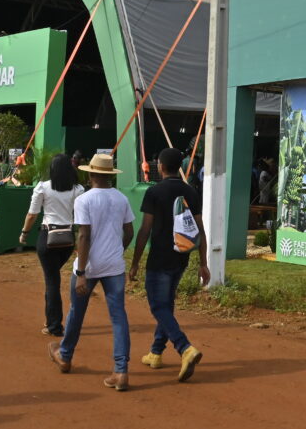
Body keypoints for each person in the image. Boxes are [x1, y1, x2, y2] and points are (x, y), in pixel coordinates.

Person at [48, 153, 134, 391]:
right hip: (114, 266)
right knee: (118, 316)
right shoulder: (121, 198)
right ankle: (121, 370)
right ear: (109, 175)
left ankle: (65, 355)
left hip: (90, 265)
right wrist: (118, 250)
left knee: (77, 311)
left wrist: (81, 272)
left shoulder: (84, 200)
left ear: (91, 174)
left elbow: (84, 236)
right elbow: (129, 231)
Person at [129, 147, 208, 383]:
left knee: (158, 306)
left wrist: (135, 263)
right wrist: (203, 263)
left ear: (160, 166)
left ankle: (185, 348)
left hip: (159, 258)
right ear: (180, 167)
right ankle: (155, 353)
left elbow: (145, 230)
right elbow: (200, 230)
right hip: (181, 257)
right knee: (167, 304)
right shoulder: (190, 191)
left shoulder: (154, 192)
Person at [20, 154, 84, 337]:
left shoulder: (43, 187)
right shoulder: (78, 189)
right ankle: (52, 320)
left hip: (48, 237)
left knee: (52, 281)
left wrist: (24, 233)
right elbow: (81, 216)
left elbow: (32, 214)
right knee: (53, 277)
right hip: (68, 240)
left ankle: (54, 325)